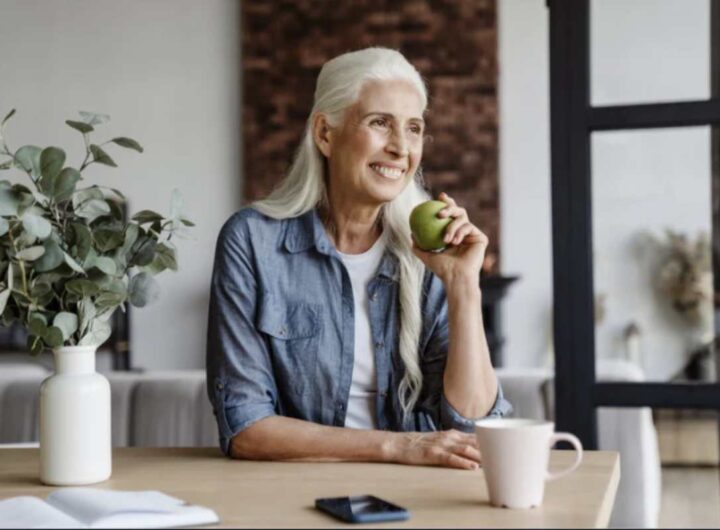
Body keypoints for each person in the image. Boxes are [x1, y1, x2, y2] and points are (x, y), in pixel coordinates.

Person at [206, 47, 511, 471]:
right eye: (379, 123)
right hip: (294, 491)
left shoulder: (431, 254)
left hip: (420, 492)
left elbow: (476, 428)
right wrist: (400, 447)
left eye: (414, 128)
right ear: (325, 134)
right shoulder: (252, 242)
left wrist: (463, 285)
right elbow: (245, 427)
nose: (401, 148)